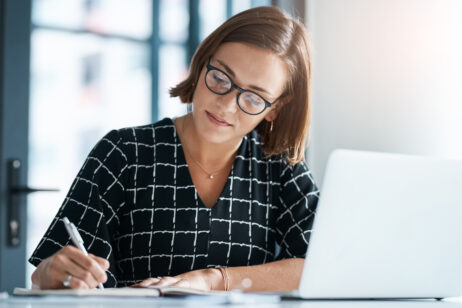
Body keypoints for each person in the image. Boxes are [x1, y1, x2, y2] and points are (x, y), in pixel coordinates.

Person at [29, 6, 319, 292]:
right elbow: (48, 275)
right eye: (220, 78)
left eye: (254, 98)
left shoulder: (281, 167)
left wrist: (213, 280)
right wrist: (50, 275)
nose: (226, 105)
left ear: (276, 108)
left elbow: (320, 265)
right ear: (202, 62)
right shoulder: (123, 154)